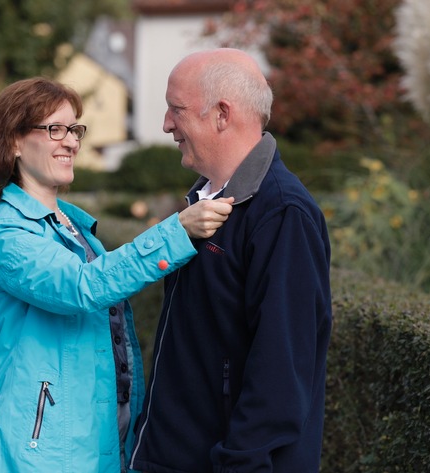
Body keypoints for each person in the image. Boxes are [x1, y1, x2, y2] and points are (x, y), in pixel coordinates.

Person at [0, 77, 233, 473]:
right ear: (14, 142)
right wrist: (176, 232)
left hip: (105, 439)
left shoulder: (75, 228)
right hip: (43, 452)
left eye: (74, 129)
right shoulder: (3, 234)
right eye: (55, 129)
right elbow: (82, 287)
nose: (72, 142)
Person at [129, 48, 332, 473]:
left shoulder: (281, 213)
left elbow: (281, 371)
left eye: (176, 109)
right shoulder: (204, 205)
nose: (167, 124)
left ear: (222, 114)